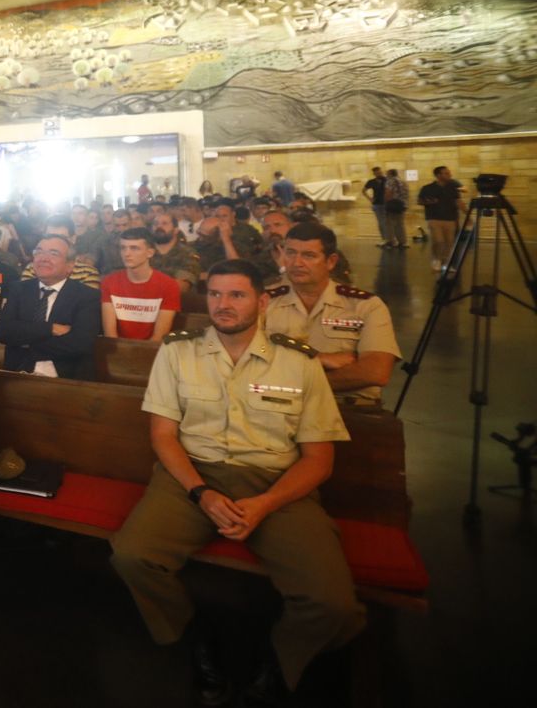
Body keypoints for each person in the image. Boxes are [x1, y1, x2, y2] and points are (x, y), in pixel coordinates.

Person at [109, 260, 364, 704]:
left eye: (237, 295)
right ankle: (194, 637)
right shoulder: (177, 350)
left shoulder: (298, 362)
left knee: (333, 603)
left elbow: (319, 459)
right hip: (193, 474)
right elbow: (163, 436)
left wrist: (264, 505)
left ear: (262, 301)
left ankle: (280, 659)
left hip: (275, 482)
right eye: (214, 295)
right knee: (132, 557)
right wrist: (201, 493)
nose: (223, 305)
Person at [264, 221, 400, 404]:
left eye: (308, 255)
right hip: (279, 411)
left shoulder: (365, 306)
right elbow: (245, 361)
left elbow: (376, 372)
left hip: (348, 411)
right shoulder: (263, 302)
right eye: (290, 253)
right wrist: (321, 359)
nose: (297, 263)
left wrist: (297, 384)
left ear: (331, 261)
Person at [0, 233, 101, 379]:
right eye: (39, 252)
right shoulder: (18, 289)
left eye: (53, 253)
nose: (43, 258)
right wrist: (50, 328)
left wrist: (25, 343)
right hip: (18, 373)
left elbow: (80, 343)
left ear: (70, 265)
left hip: (66, 379)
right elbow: (2, 330)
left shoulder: (87, 296)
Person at [101, 228, 181, 341]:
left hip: (152, 353)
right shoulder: (109, 282)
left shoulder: (168, 285)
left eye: (134, 248)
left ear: (150, 253)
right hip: (117, 352)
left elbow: (158, 337)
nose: (126, 253)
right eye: (123, 248)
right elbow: (110, 335)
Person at [417, 166, 464, 271]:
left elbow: (458, 201)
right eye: (446, 173)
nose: (449, 175)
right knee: (439, 241)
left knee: (450, 242)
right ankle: (436, 260)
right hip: (434, 218)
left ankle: (446, 263)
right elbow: (420, 201)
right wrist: (429, 202)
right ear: (438, 175)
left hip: (450, 219)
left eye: (449, 173)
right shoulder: (428, 188)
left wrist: (466, 213)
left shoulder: (453, 187)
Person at [149, 211, 201, 294]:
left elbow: (182, 287)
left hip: (177, 302)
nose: (159, 227)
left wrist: (146, 286)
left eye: (164, 223)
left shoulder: (187, 253)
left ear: (176, 230)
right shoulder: (144, 251)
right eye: (155, 224)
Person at [362, 166, 391, 246]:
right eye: (377, 172)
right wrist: (370, 199)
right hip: (377, 204)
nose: (379, 173)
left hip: (386, 204)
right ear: (374, 173)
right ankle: (384, 239)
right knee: (381, 222)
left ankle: (389, 239)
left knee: (387, 222)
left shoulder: (386, 180)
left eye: (380, 172)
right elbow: (363, 191)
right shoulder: (371, 181)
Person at [381, 168, 409, 249]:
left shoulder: (390, 181)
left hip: (392, 204)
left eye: (387, 174)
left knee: (389, 224)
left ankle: (390, 241)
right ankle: (402, 242)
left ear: (390, 174)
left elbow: (388, 193)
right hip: (402, 204)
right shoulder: (402, 182)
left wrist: (386, 203)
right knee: (399, 224)